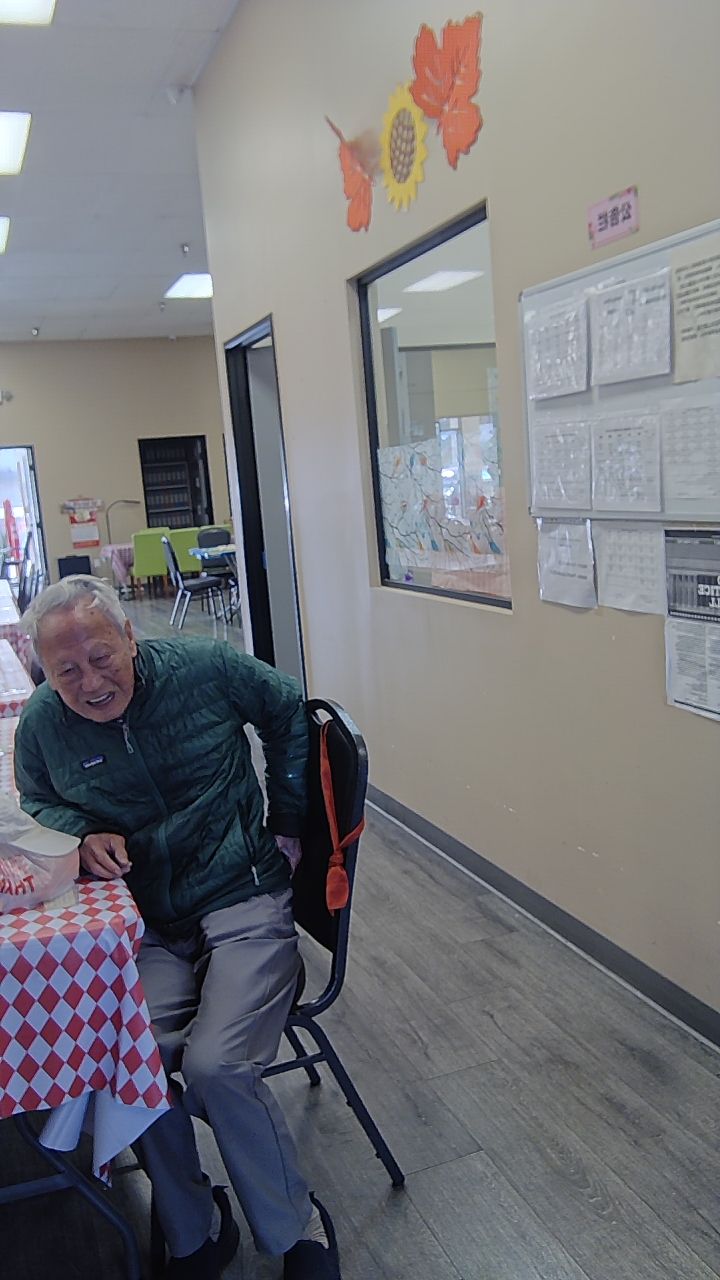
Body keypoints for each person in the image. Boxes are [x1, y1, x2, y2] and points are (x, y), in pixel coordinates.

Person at [14, 575, 342, 1280]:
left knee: (216, 1068)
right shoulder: (42, 724)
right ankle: (195, 1227)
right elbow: (38, 799)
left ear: (130, 637)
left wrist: (288, 818)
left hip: (241, 895)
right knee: (122, 1061)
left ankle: (296, 1228)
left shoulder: (205, 667)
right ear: (44, 671)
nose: (90, 683)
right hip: (149, 922)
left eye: (102, 657)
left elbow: (288, 708)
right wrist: (82, 833)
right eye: (66, 671)